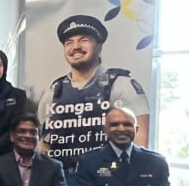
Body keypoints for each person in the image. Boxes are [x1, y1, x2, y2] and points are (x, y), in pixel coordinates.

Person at [37, 14, 150, 169]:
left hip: (107, 182)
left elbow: (140, 143)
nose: (75, 46)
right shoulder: (53, 93)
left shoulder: (122, 85)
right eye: (69, 42)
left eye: (84, 40)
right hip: (63, 184)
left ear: (99, 46)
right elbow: (44, 145)